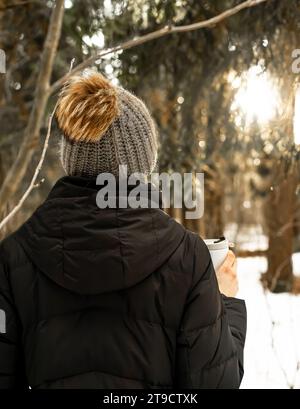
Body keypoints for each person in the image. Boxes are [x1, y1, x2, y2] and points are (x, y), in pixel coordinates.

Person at [0, 72, 246, 389]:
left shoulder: (14, 256)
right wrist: (226, 302)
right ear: (144, 161)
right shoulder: (188, 257)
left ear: (70, 158)